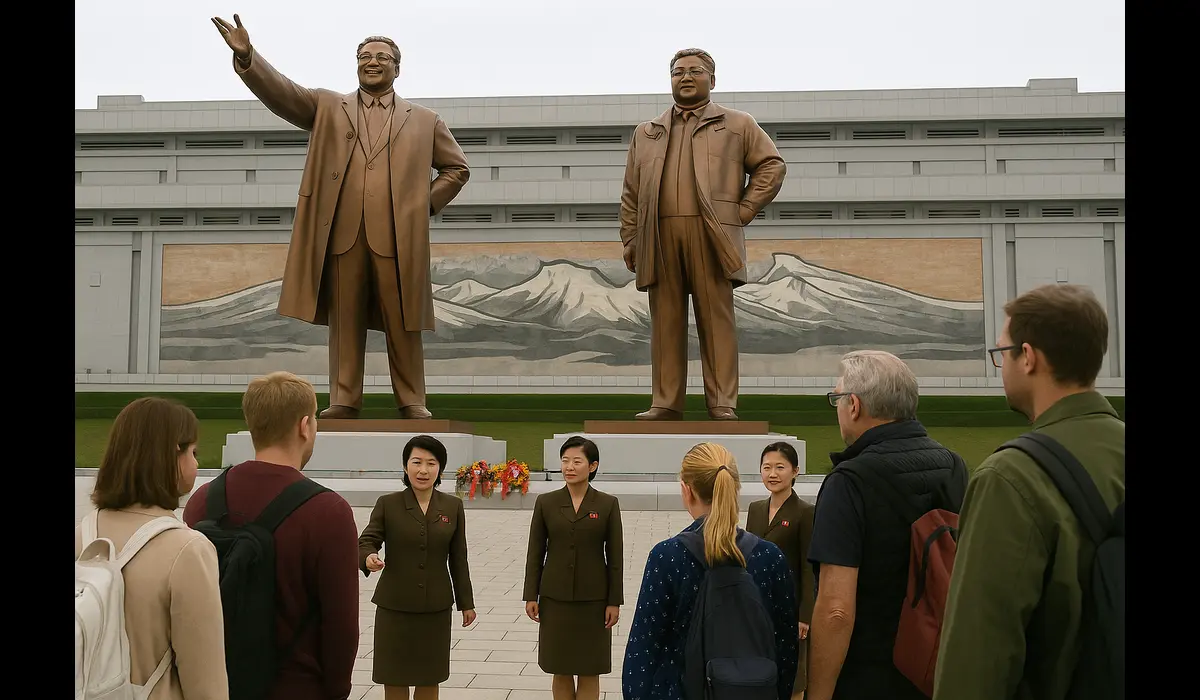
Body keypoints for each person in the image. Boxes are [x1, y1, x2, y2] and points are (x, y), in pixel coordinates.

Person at [210, 14, 470, 420]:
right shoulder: (328, 106)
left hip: (397, 237)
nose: (372, 62)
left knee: (403, 321)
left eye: (381, 57)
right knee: (344, 320)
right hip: (343, 234)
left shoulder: (424, 120)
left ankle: (411, 399)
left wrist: (423, 206)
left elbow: (457, 169)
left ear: (397, 68)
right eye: (365, 56)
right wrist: (249, 58)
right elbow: (283, 93)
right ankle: (345, 399)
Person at [933, 284, 1125, 700]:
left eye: (1002, 354)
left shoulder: (1010, 477)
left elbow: (978, 660)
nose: (1000, 366)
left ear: (1029, 357)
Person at [619, 48, 786, 421]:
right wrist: (630, 238)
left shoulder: (737, 124)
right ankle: (665, 402)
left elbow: (771, 166)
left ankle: (722, 403)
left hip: (712, 233)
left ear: (713, 79)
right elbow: (631, 191)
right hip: (659, 237)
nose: (686, 77)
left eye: (696, 71)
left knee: (716, 320)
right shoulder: (647, 132)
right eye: (678, 72)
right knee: (665, 323)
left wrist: (742, 211)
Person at [182, 372, 360, 700]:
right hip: (297, 687)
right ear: (305, 426)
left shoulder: (202, 501)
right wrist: (336, 690)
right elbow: (341, 626)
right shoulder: (328, 511)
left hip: (217, 685)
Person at [805, 351, 968, 700]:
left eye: (836, 398)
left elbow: (836, 609)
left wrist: (817, 694)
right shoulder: (953, 465)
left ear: (854, 405)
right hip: (937, 666)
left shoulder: (848, 481)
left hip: (871, 674)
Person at [76, 397, 228, 700]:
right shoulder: (188, 549)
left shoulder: (83, 533)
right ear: (173, 453)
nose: (197, 462)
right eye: (193, 452)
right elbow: (205, 681)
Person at [623, 442, 798, 700]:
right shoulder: (770, 557)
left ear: (686, 490)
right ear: (735, 487)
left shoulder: (667, 557)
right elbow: (786, 648)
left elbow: (643, 650)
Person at [359, 435, 477, 700]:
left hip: (435, 607)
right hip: (394, 606)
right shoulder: (388, 504)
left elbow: (458, 558)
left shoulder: (452, 506)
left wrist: (465, 603)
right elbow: (367, 540)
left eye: (431, 463)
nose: (423, 470)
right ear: (405, 466)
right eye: (416, 462)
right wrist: (368, 557)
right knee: (394, 677)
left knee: (429, 678)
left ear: (440, 470)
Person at [523, 436, 624, 700]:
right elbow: (535, 552)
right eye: (565, 461)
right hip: (555, 598)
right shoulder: (546, 503)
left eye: (576, 461)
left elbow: (615, 558)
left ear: (592, 466)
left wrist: (614, 601)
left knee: (591, 669)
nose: (569, 467)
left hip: (595, 600)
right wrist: (530, 595)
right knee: (561, 667)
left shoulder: (607, 504)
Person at [747, 441, 816, 700]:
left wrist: (805, 615)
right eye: (767, 467)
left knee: (793, 676)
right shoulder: (755, 509)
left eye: (780, 467)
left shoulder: (805, 513)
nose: (772, 474)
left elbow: (809, 568)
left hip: (789, 608)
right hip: (756, 605)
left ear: (795, 471)